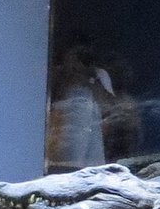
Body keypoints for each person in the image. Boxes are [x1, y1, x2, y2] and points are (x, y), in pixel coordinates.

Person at [46, 44, 114, 172]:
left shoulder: (97, 76)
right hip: (67, 123)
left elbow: (108, 105)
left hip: (91, 126)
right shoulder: (60, 74)